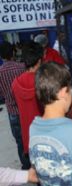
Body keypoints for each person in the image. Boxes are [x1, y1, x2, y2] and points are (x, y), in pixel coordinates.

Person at [12, 42, 44, 169]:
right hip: (45, 133)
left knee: (37, 171)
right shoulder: (43, 82)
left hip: (28, 135)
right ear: (40, 60)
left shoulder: (15, 83)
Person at [0, 41, 27, 169]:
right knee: (31, 137)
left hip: (12, 112)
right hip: (27, 109)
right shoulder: (22, 67)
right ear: (13, 53)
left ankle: (26, 166)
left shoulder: (0, 72)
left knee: (19, 141)